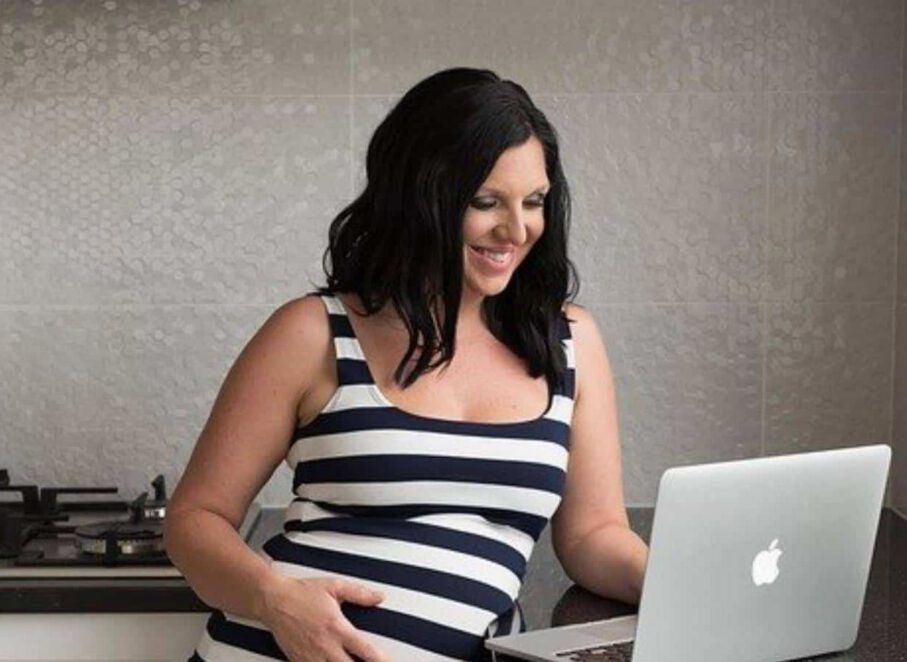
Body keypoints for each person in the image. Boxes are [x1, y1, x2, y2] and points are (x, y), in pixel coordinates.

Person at [165, 66, 649, 662]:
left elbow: (592, 536)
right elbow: (194, 519)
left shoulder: (568, 341)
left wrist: (679, 584)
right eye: (485, 202)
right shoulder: (313, 332)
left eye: (534, 202)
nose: (516, 229)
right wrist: (276, 598)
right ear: (420, 194)